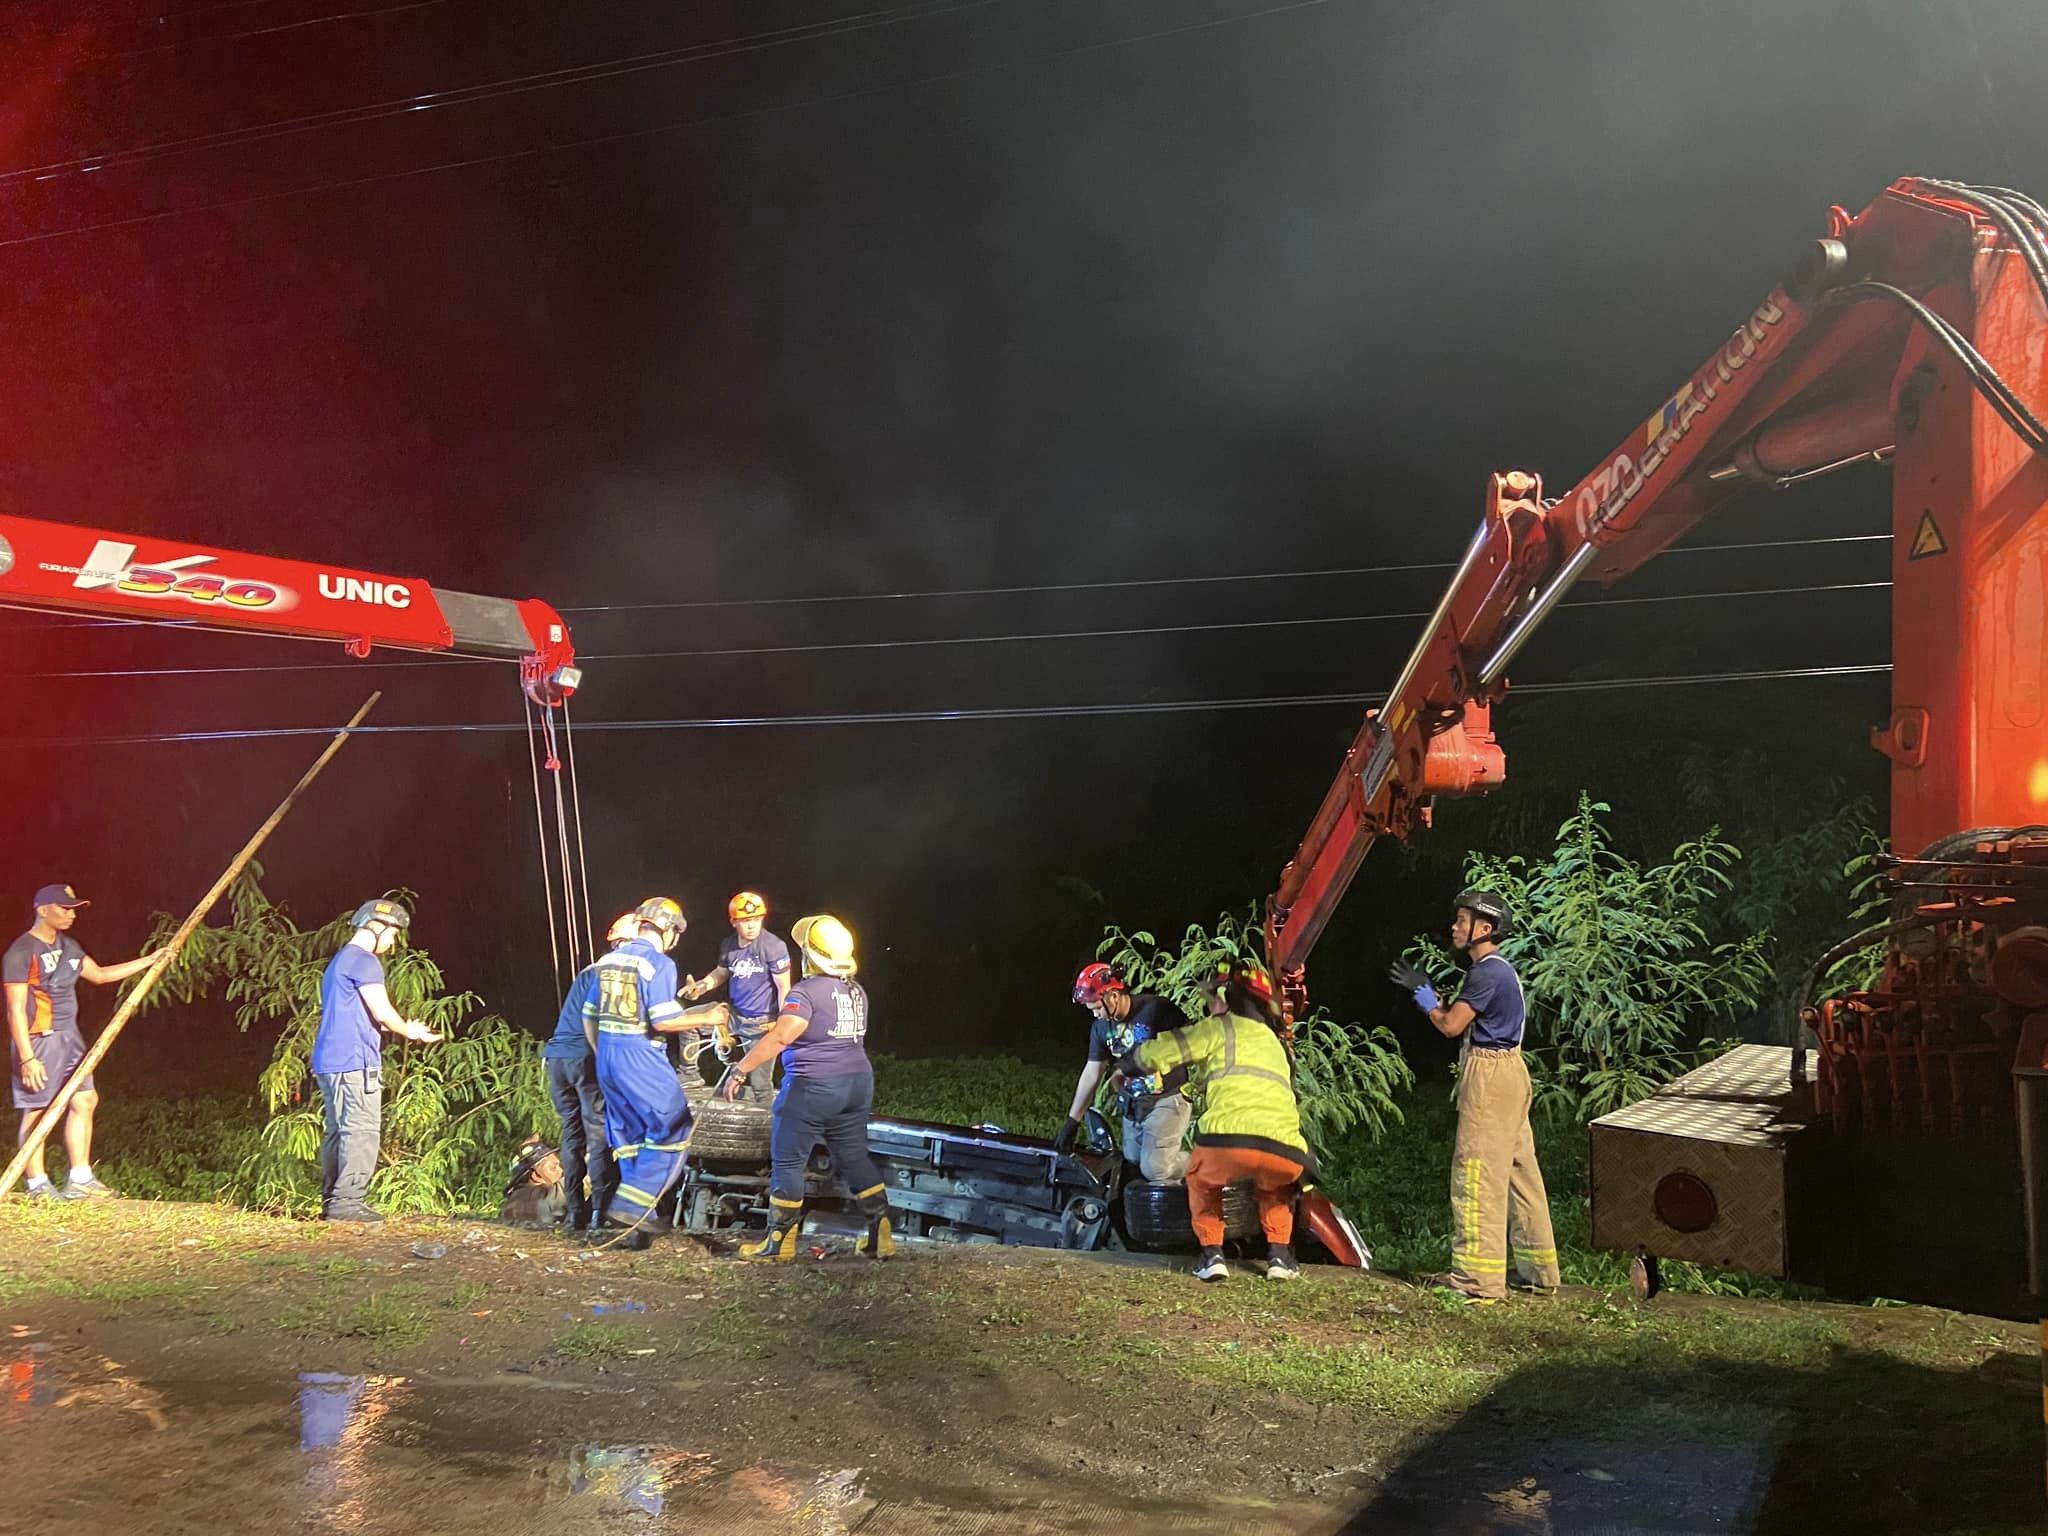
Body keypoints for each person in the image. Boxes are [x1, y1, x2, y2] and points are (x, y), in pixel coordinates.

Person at [1389, 888, 1560, 1304]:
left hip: (1490, 1076)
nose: (1455, 927)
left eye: (1462, 921)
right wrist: (1433, 995)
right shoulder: (1501, 970)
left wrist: (1423, 997)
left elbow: (1451, 1025)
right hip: (1511, 1071)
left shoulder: (1486, 973)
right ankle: (1539, 1272)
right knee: (1520, 1171)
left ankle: (1477, 1281)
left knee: (1477, 1174)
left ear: (1484, 929)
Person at [1115, 959, 1312, 1283]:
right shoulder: (1277, 1044)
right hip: (1285, 1149)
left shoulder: (1219, 1027)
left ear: (1227, 998)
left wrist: (1127, 1066)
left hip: (1228, 1141)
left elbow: (1167, 1048)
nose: (1209, 1006)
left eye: (1213, 998)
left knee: (1202, 1180)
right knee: (1275, 1188)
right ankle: (1280, 1257)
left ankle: (1212, 1256)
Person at [721, 913, 894, 1264]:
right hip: (857, 1083)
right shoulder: (856, 990)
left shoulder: (804, 992)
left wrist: (741, 1069)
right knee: (853, 1156)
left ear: (810, 956)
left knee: (788, 1159)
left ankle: (779, 1243)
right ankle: (881, 1235)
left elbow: (783, 1036)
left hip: (813, 1085)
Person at [3, 884, 169, 1201]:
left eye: (74, 909)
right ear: (43, 910)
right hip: (39, 1039)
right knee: (38, 1110)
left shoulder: (69, 947)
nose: (72, 914)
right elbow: (15, 1009)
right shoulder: (22, 952)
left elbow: (101, 975)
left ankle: (80, 1180)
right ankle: (37, 1185)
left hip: (70, 1037)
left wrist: (150, 960)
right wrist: (27, 1057)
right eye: (65, 908)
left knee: (85, 1100)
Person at [592, 897, 727, 1236]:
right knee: (674, 1128)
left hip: (607, 1054)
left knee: (631, 1136)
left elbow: (589, 1015)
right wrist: (707, 1017)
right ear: (669, 931)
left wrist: (604, 1055)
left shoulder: (608, 960)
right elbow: (663, 1021)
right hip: (640, 1055)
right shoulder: (659, 963)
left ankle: (639, 1226)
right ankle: (632, 1207)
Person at [310, 899, 444, 1222]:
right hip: (355, 1059)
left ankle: (333, 1201)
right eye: (393, 934)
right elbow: (382, 1012)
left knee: (339, 1131)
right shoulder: (365, 961)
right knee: (362, 1131)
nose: (393, 943)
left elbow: (366, 1015)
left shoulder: (339, 962)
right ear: (378, 927)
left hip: (330, 1060)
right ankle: (347, 1203)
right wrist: (409, 1030)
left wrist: (398, 1025)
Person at [538, 913, 636, 1235]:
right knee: (597, 1134)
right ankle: (599, 1213)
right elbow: (600, 1021)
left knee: (572, 1135)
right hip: (584, 1058)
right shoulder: (615, 973)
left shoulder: (588, 970)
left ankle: (574, 1214)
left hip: (557, 1058)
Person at [1055, 963, 1192, 1184]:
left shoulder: (1156, 1010)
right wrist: (1072, 1122)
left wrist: (1128, 1067)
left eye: (1097, 1007)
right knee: (1133, 1165)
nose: (1095, 1014)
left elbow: (1185, 1043)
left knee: (1156, 1169)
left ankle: (1200, 1164)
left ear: (1113, 996)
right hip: (1133, 1105)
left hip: (1167, 1100)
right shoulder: (1101, 1028)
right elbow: (1092, 1073)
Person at [681, 892, 791, 1106]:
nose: (751, 925)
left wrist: (783, 1023)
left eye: (756, 919)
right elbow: (721, 972)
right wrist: (700, 987)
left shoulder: (773, 946)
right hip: (734, 1014)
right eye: (745, 920)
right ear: (734, 922)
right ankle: (689, 1074)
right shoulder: (729, 945)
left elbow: (783, 986)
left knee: (760, 1085)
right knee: (688, 1020)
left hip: (761, 1022)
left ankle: (767, 1121)